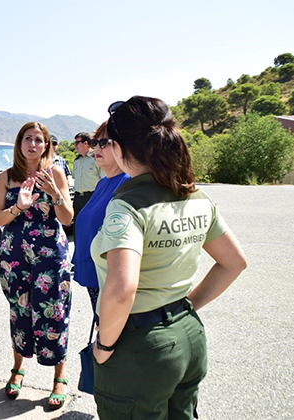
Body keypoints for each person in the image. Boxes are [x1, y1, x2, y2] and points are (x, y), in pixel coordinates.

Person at [91, 96, 247, 419]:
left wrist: (104, 346)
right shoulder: (194, 195)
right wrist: (185, 307)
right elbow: (234, 262)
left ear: (119, 150)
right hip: (188, 336)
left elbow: (122, 289)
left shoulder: (127, 207)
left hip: (140, 349)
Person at [0, 122, 74, 410]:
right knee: (19, 310)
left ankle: (59, 377)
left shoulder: (55, 174)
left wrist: (55, 194)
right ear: (19, 143)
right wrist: (19, 208)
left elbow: (67, 218)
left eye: (39, 140)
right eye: (28, 139)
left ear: (47, 145)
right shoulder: (6, 177)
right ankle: (18, 369)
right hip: (15, 257)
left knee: (53, 312)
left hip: (50, 256)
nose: (33, 144)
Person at [70, 121, 130, 326]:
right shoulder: (104, 182)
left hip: (108, 278)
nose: (96, 148)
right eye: (95, 142)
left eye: (103, 143)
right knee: (100, 325)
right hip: (93, 273)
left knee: (109, 331)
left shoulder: (129, 183)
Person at [72, 132, 103, 240]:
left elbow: (103, 180)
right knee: (78, 227)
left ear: (86, 143)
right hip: (78, 198)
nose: (75, 145)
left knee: (92, 227)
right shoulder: (77, 161)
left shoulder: (96, 158)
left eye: (77, 142)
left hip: (92, 197)